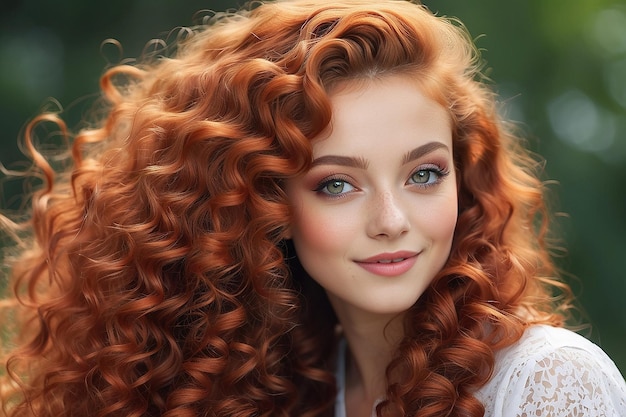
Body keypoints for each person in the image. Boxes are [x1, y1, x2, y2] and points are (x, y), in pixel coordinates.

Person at [1, 0, 625, 416]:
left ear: (466, 178)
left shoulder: (549, 384)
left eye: (425, 174)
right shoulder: (302, 381)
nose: (391, 219)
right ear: (260, 204)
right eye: (337, 184)